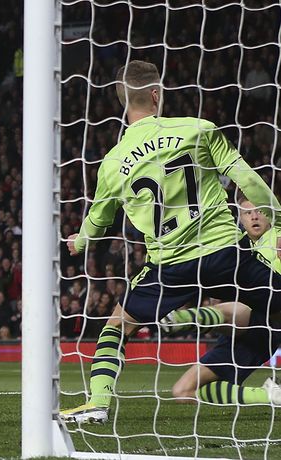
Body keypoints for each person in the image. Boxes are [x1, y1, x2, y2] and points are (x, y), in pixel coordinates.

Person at [61, 60, 281, 423]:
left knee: (117, 327)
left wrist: (80, 242)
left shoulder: (112, 163)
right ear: (156, 94)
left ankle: (98, 402)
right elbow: (249, 181)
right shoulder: (198, 129)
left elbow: (98, 220)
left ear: (122, 101)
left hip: (169, 267)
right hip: (224, 253)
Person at [169, 196, 281, 406]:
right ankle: (270, 395)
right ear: (240, 219)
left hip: (269, 316)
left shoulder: (277, 236)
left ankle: (181, 319)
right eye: (247, 213)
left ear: (270, 216)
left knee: (241, 306)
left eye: (259, 211)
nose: (254, 217)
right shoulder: (234, 247)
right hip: (246, 332)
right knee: (183, 391)